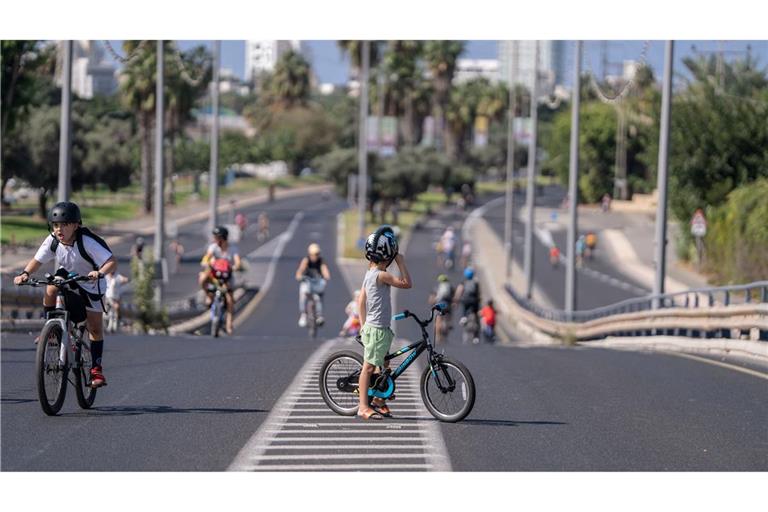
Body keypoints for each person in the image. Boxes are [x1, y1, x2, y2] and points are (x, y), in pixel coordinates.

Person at [13, 201, 116, 387]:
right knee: (51, 287)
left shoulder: (87, 242)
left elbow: (111, 262)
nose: (59, 229)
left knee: (94, 328)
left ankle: (96, 370)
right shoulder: (53, 240)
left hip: (91, 283)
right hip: (68, 274)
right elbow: (37, 260)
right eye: (56, 225)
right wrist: (25, 274)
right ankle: (50, 330)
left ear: (76, 225)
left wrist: (99, 273)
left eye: (65, 224)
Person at [357, 226, 412, 420]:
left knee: (384, 365)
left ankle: (379, 400)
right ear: (388, 256)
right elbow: (407, 283)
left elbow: (360, 300)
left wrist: (363, 325)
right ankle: (363, 406)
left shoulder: (369, 273)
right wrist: (401, 262)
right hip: (377, 330)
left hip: (380, 329)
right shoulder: (381, 275)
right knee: (369, 368)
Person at [199, 226, 241, 335]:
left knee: (230, 300)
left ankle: (229, 324)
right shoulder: (213, 247)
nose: (215, 240)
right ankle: (208, 296)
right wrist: (206, 263)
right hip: (214, 275)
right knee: (202, 278)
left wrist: (235, 267)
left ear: (223, 238)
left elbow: (237, 262)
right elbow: (207, 257)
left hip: (227, 277)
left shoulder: (232, 249)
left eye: (217, 238)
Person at [295, 243, 331, 328]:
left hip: (317, 282)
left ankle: (319, 316)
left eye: (317, 254)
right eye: (313, 254)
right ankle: (303, 314)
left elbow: (325, 270)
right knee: (303, 294)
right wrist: (299, 277)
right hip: (307, 281)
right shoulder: (306, 260)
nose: (315, 256)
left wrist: (326, 277)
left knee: (318, 298)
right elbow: (300, 271)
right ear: (310, 254)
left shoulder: (321, 261)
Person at [455, 267, 481, 344]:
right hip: (474, 301)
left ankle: (464, 317)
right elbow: (478, 293)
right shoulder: (476, 283)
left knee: (465, 309)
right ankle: (476, 337)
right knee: (476, 317)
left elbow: (459, 292)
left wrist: (456, 300)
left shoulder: (464, 282)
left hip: (466, 300)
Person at [429, 274, 454, 344]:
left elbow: (432, 298)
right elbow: (453, 297)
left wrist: (432, 303)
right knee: (448, 319)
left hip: (439, 305)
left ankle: (438, 337)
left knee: (438, 321)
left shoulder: (437, 287)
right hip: (447, 306)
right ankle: (446, 331)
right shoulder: (450, 287)